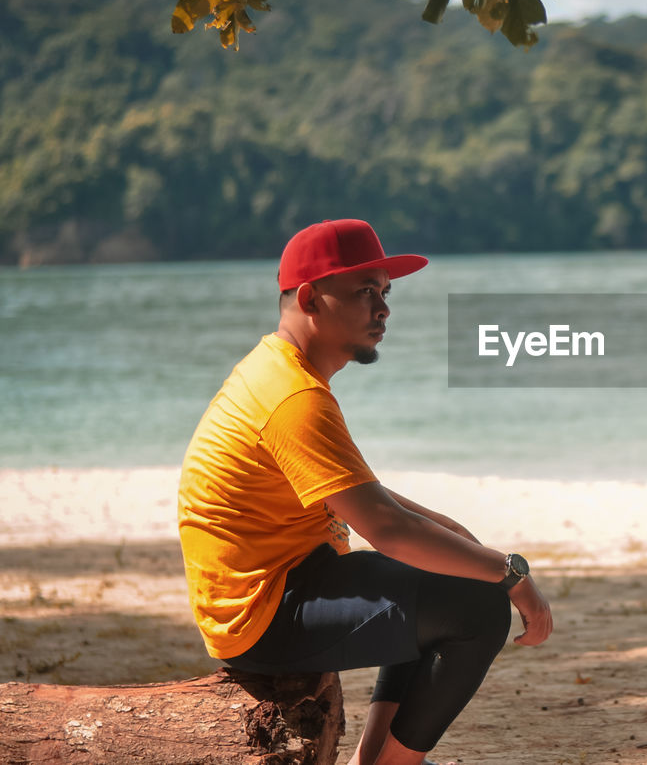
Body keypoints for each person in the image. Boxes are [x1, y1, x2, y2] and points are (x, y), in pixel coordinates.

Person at [177, 219, 552, 765]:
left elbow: (357, 493)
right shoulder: (293, 396)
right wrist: (510, 574)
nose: (383, 309)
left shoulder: (281, 371)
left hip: (287, 581)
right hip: (262, 614)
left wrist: (452, 534)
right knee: (478, 606)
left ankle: (371, 760)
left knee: (450, 567)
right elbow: (386, 529)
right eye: (365, 292)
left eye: (385, 292)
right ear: (310, 298)